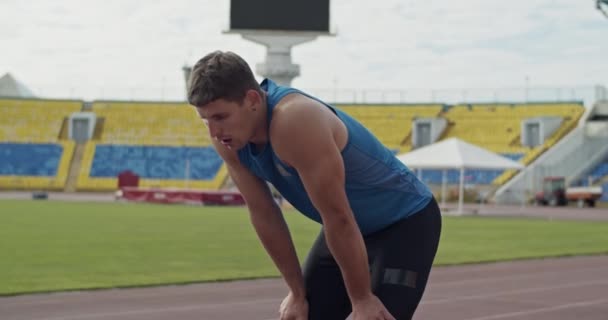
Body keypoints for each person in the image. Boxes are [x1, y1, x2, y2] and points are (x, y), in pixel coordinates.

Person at [187, 50, 442, 320]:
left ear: (251, 99)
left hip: (404, 222)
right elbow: (264, 214)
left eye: (220, 117)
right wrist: (297, 293)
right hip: (348, 227)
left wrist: (362, 299)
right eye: (205, 119)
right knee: (302, 315)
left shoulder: (295, 120)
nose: (214, 132)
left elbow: (338, 216)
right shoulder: (227, 139)